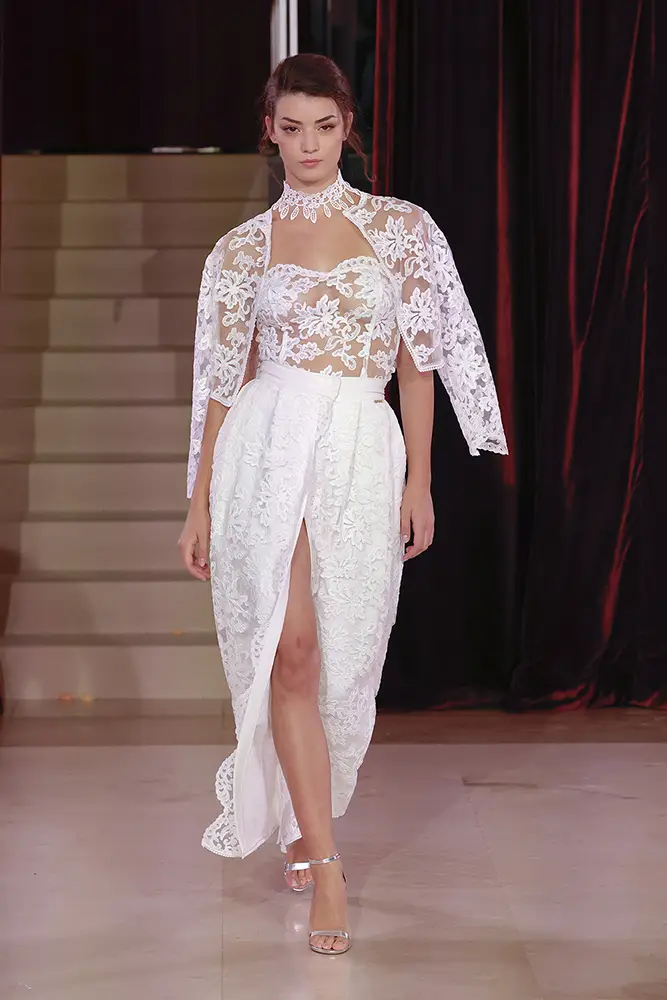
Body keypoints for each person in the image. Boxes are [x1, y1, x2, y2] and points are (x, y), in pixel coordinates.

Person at [179, 53, 508, 957]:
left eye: (324, 127)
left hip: (360, 447)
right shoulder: (241, 250)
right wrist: (197, 502)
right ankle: (325, 864)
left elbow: (418, 364)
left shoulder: (401, 229)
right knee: (289, 650)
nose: (309, 145)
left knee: (341, 656)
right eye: (292, 128)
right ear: (270, 132)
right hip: (266, 444)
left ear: (347, 129)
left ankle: (305, 816)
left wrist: (420, 481)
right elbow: (218, 384)